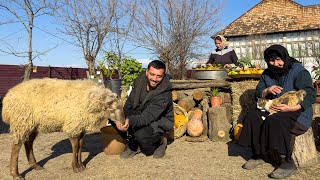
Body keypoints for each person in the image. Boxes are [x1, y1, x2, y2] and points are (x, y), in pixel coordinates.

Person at [238, 44, 316, 179]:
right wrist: (266, 91)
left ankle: (286, 162)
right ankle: (259, 154)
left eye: (279, 59)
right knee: (252, 116)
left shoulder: (299, 71)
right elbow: (258, 93)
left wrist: (292, 108)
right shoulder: (267, 73)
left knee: (275, 121)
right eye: (271, 61)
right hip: (274, 108)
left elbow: (310, 95)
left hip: (298, 111)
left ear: (285, 57)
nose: (276, 64)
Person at [115, 60, 174, 159]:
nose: (154, 79)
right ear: (147, 72)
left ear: (163, 76)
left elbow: (147, 117)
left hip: (158, 120)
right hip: (141, 113)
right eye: (152, 74)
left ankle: (160, 141)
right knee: (115, 116)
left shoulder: (164, 94)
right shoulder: (140, 80)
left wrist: (129, 121)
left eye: (159, 76)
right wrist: (121, 118)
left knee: (142, 135)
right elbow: (130, 102)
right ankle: (133, 143)